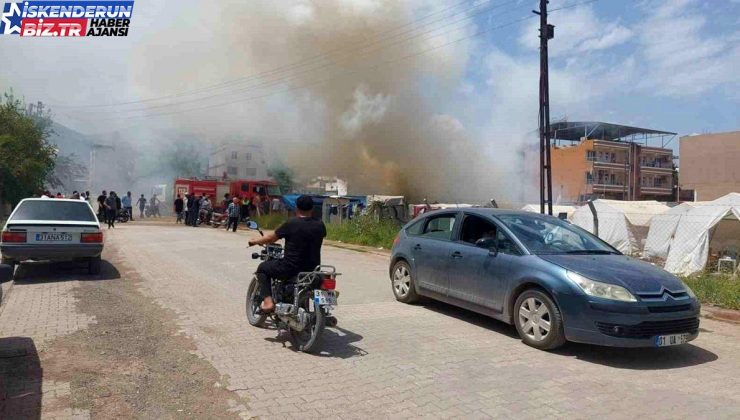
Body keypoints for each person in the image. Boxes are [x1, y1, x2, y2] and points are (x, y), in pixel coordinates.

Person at [248, 195, 326, 313]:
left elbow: (270, 238)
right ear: (312, 209)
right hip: (312, 269)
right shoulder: (320, 224)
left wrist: (255, 241)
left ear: (296, 208)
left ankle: (268, 302)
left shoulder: (292, 223)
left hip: (291, 267)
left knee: (263, 268)